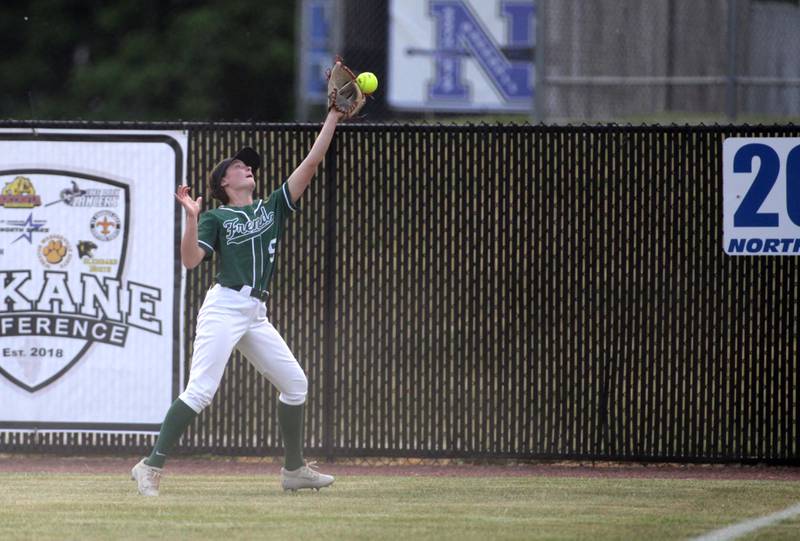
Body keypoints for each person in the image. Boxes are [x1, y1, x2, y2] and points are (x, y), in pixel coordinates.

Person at [131, 108, 345, 496]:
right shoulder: (216, 216)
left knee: (295, 384)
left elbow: (312, 161)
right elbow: (191, 260)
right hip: (225, 306)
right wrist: (192, 218)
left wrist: (332, 116)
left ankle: (294, 470)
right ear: (223, 181)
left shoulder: (272, 207)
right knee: (201, 390)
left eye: (249, 165)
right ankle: (149, 466)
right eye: (238, 165)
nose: (247, 167)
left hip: (255, 313)